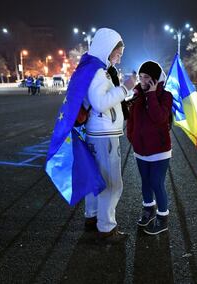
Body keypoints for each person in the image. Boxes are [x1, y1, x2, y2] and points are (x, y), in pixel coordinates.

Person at [83, 28, 136, 242]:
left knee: (96, 179)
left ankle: (92, 217)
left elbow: (105, 100)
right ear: (108, 49)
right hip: (104, 134)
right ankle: (106, 228)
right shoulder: (99, 71)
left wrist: (127, 92)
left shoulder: (96, 68)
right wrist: (125, 89)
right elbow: (99, 102)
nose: (119, 57)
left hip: (98, 132)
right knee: (112, 183)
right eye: (118, 52)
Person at [126, 61, 173, 235]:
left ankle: (162, 217)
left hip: (160, 151)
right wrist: (133, 138)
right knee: (145, 182)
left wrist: (152, 95)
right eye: (141, 77)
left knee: (156, 182)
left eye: (146, 77)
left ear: (154, 79)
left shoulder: (165, 96)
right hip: (141, 150)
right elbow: (130, 121)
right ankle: (149, 210)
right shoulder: (136, 95)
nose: (142, 80)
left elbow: (159, 118)